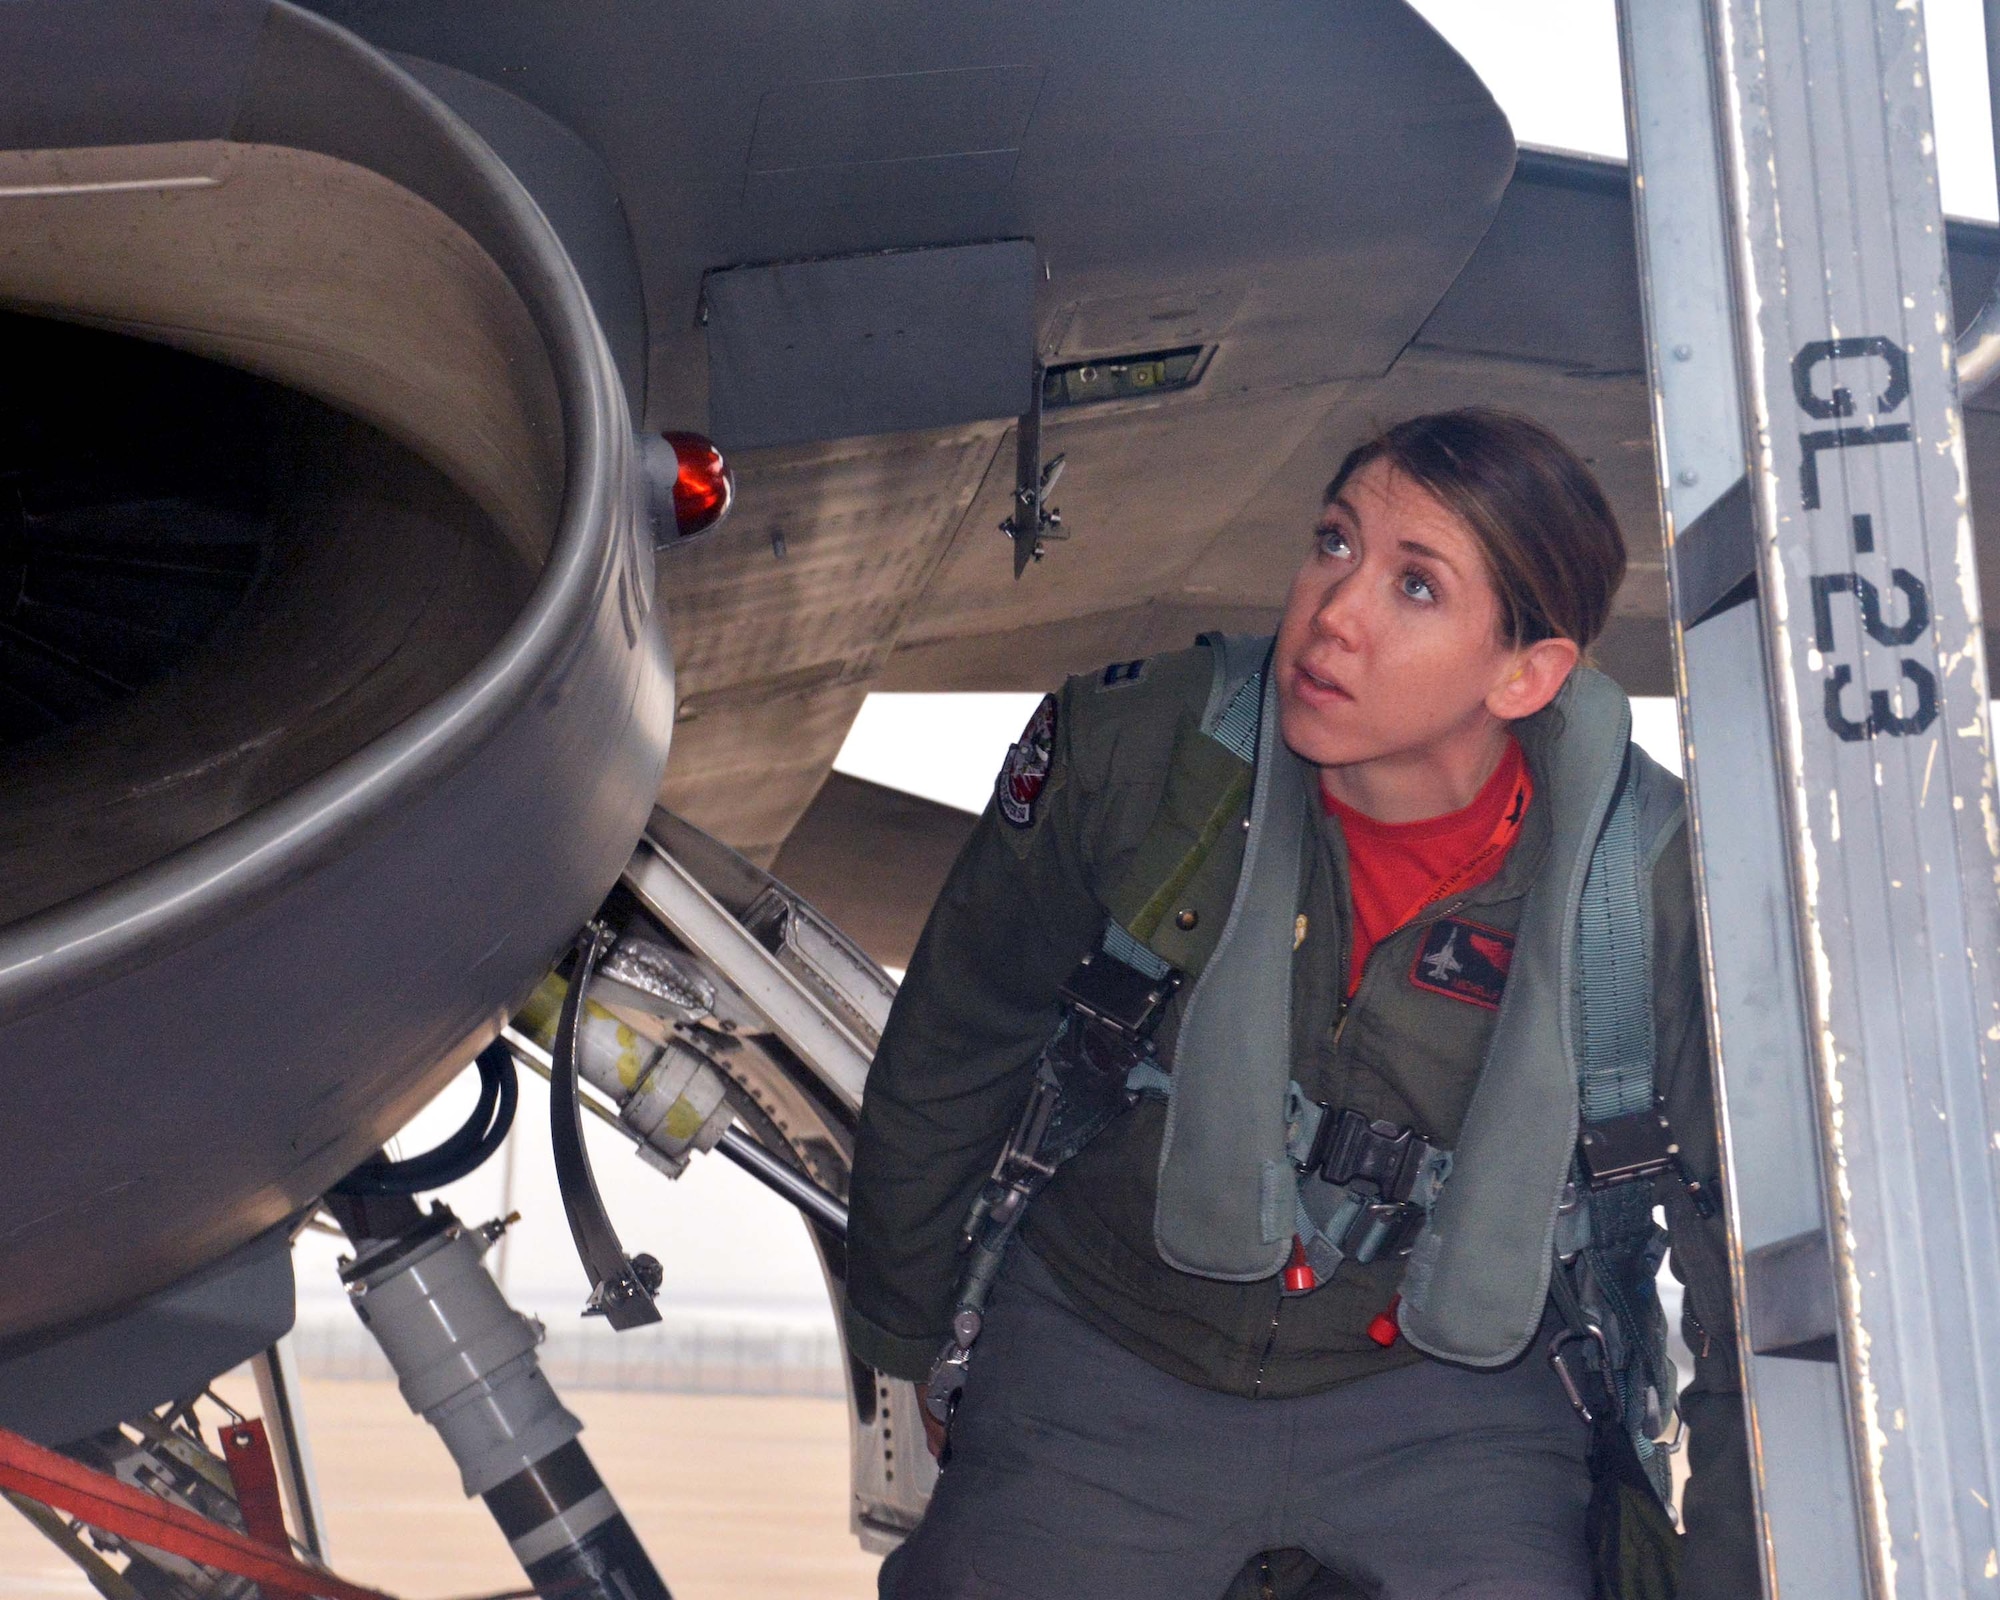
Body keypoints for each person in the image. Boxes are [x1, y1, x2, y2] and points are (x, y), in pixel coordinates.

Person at [843, 408, 1756, 1600]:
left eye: (1415, 587)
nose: (1333, 614)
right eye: (1334, 543)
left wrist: (1739, 1571)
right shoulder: (1149, 755)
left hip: (1457, 1399)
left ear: (1525, 671)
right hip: (1111, 1335)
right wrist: (908, 1335)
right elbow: (958, 1038)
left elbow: (1754, 1260)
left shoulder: (1643, 890)